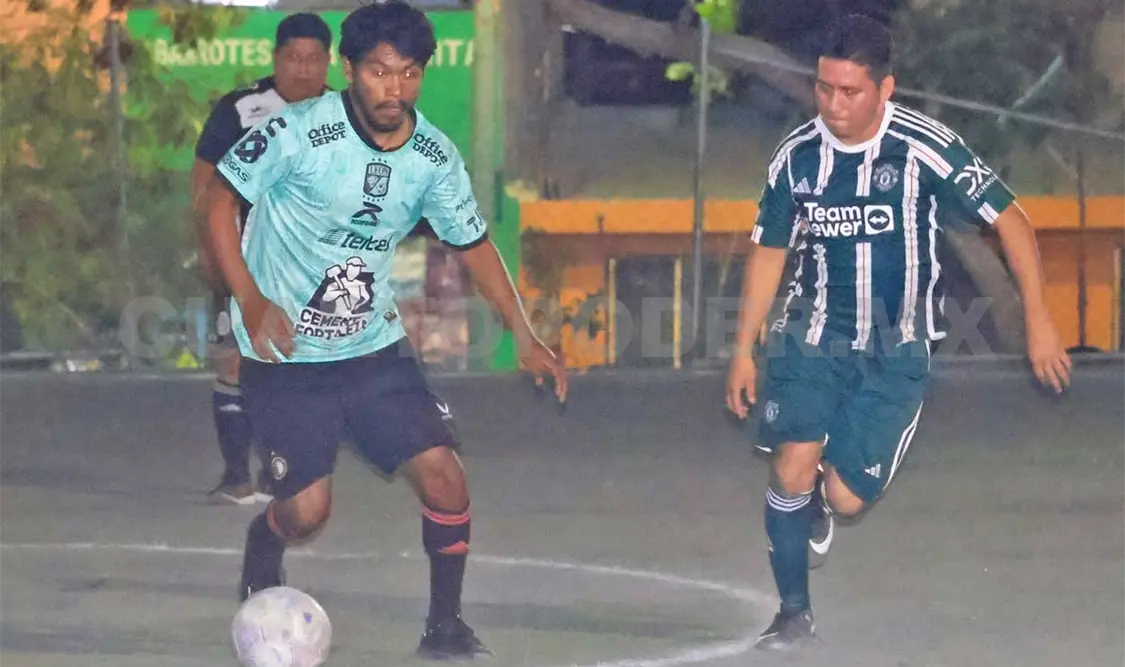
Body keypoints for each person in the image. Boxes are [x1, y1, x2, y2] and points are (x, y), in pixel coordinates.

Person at [204, 1, 567, 658]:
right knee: (306, 515)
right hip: (285, 359)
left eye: (407, 73)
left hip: (372, 351)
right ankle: (268, 533)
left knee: (444, 475)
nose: (392, 89)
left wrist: (525, 333)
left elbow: (475, 244)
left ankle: (444, 625)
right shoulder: (298, 131)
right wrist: (251, 299)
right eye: (377, 72)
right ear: (349, 70)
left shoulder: (433, 155)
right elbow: (220, 198)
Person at [725, 13, 1072, 651]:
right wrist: (744, 348)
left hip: (896, 347)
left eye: (849, 91)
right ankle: (793, 612)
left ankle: (827, 504)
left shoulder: (926, 148)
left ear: (886, 89)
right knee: (791, 464)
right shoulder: (797, 158)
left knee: (847, 496)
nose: (833, 104)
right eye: (824, 88)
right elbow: (771, 250)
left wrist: (1040, 321)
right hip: (812, 333)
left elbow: (1013, 221)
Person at [191, 13, 333, 504]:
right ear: (276, 59)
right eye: (292, 58)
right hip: (244, 259)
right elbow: (205, 185)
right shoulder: (241, 108)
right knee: (234, 361)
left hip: (314, 267)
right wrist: (213, 253)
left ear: (328, 62)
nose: (302, 69)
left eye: (313, 59)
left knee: (298, 371)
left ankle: (283, 473)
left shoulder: (341, 113)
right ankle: (236, 477)